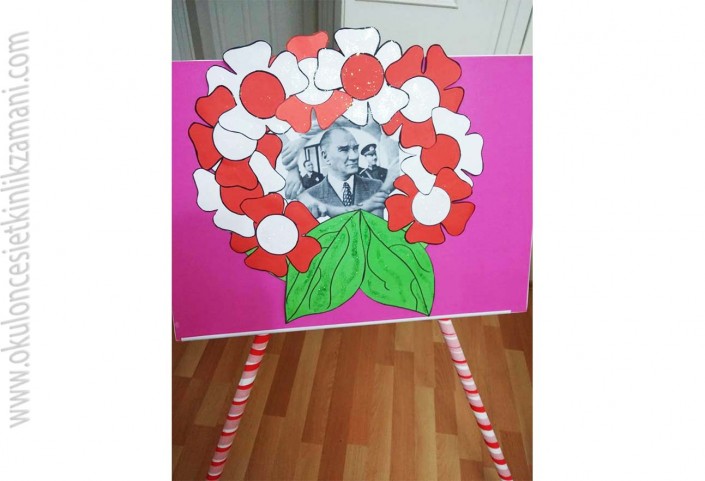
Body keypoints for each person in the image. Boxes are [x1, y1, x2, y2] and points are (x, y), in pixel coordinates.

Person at [297, 128, 387, 218]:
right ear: (325, 157)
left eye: (355, 148)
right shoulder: (311, 196)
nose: (354, 156)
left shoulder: (376, 187)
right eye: (344, 149)